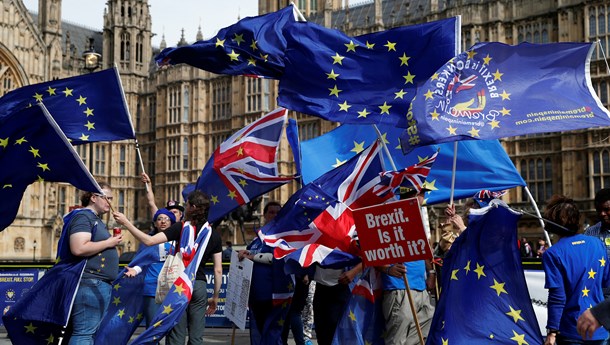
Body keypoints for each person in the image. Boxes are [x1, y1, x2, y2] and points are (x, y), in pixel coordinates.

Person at [113, 190, 223, 345]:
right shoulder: (214, 234)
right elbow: (218, 270)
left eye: (186, 205)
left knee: (176, 334)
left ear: (192, 207)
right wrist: (215, 297)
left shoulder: (180, 228)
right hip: (199, 285)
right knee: (196, 336)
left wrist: (126, 223)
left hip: (179, 285)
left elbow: (150, 241)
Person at [542, 195, 610, 345]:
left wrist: (552, 332)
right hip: (599, 326)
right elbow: (606, 281)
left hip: (572, 330)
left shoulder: (553, 253)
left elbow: (557, 297)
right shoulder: (598, 244)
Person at [376, 188, 435, 345]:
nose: (424, 197)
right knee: (397, 339)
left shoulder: (417, 218)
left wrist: (431, 273)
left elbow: (423, 251)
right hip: (400, 288)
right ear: (414, 195)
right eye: (422, 193)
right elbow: (371, 253)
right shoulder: (388, 218)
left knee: (426, 327)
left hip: (420, 288)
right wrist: (388, 269)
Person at [67, 182, 122, 345]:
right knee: (83, 333)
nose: (110, 202)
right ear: (93, 197)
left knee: (89, 333)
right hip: (90, 283)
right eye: (107, 198)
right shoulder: (83, 217)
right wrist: (109, 243)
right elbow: (78, 248)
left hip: (98, 283)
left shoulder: (94, 219)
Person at [238, 201, 287, 345]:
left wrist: (251, 256)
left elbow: (276, 257)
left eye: (278, 212)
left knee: (274, 335)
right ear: (264, 215)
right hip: (256, 295)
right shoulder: (257, 239)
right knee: (260, 333)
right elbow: (251, 254)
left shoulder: (283, 237)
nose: (275, 215)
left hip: (275, 294)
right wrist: (244, 253)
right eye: (271, 212)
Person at [123, 209, 177, 328]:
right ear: (155, 223)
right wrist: (135, 270)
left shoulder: (179, 240)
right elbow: (142, 261)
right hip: (152, 286)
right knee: (152, 327)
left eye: (166, 219)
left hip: (174, 288)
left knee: (173, 329)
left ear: (172, 223)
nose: (163, 221)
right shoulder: (147, 240)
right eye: (159, 219)